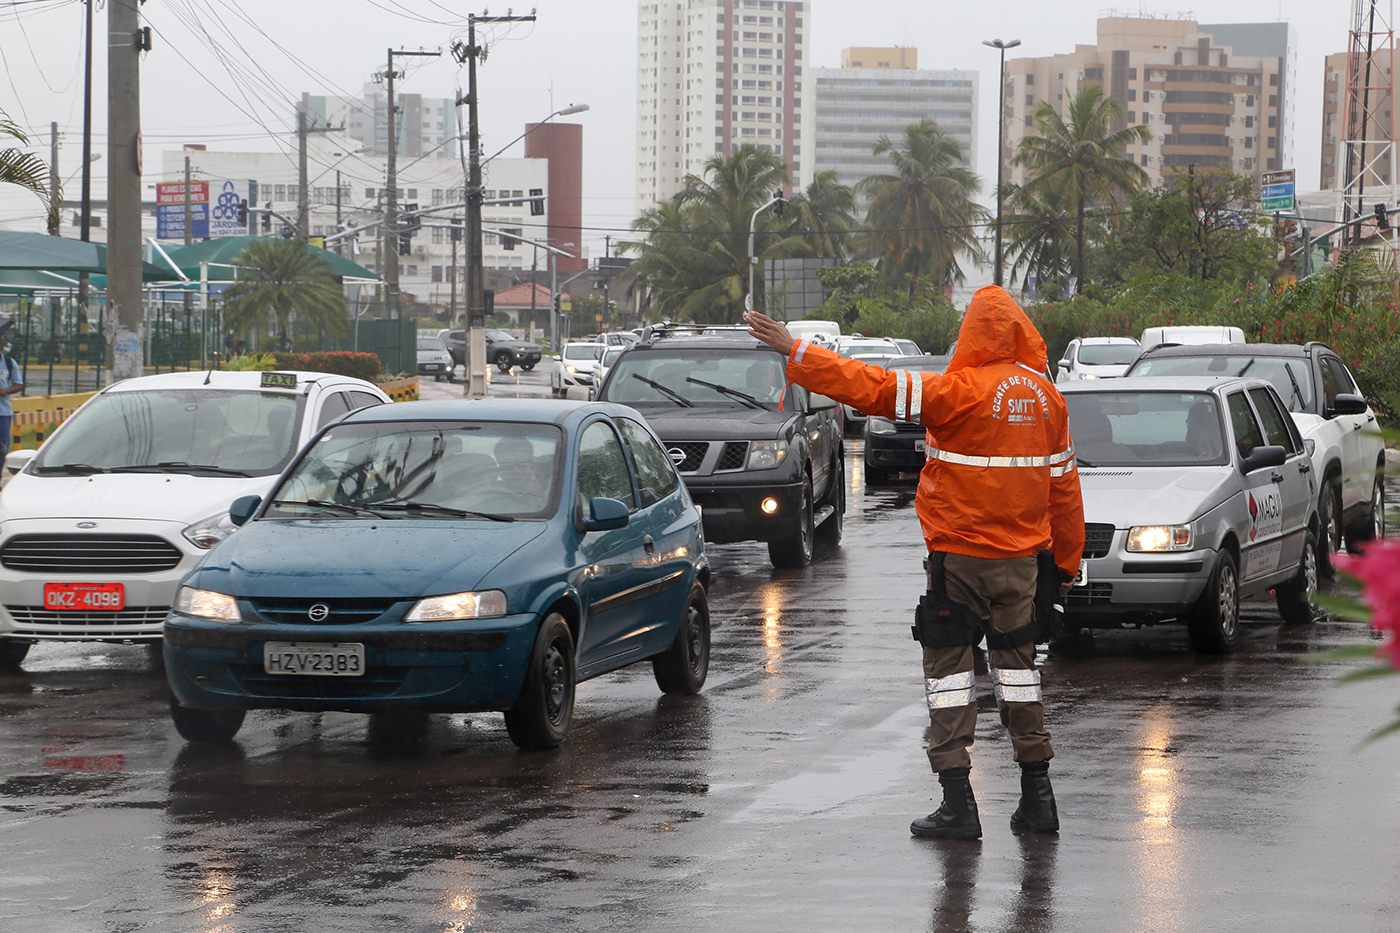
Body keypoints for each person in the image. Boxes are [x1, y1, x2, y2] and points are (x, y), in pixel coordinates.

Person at [746, 286, 1084, 840]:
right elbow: (1065, 492)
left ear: (974, 334)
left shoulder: (955, 392)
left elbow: (871, 388)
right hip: (1023, 564)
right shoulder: (1050, 400)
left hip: (960, 562)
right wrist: (1063, 571)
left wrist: (797, 351)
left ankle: (958, 806)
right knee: (1020, 675)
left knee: (949, 675)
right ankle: (1038, 799)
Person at [0, 319, 23, 459]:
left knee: (2, 448)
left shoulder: (8, 362)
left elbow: (18, 384)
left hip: (3, 413)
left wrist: (5, 391)